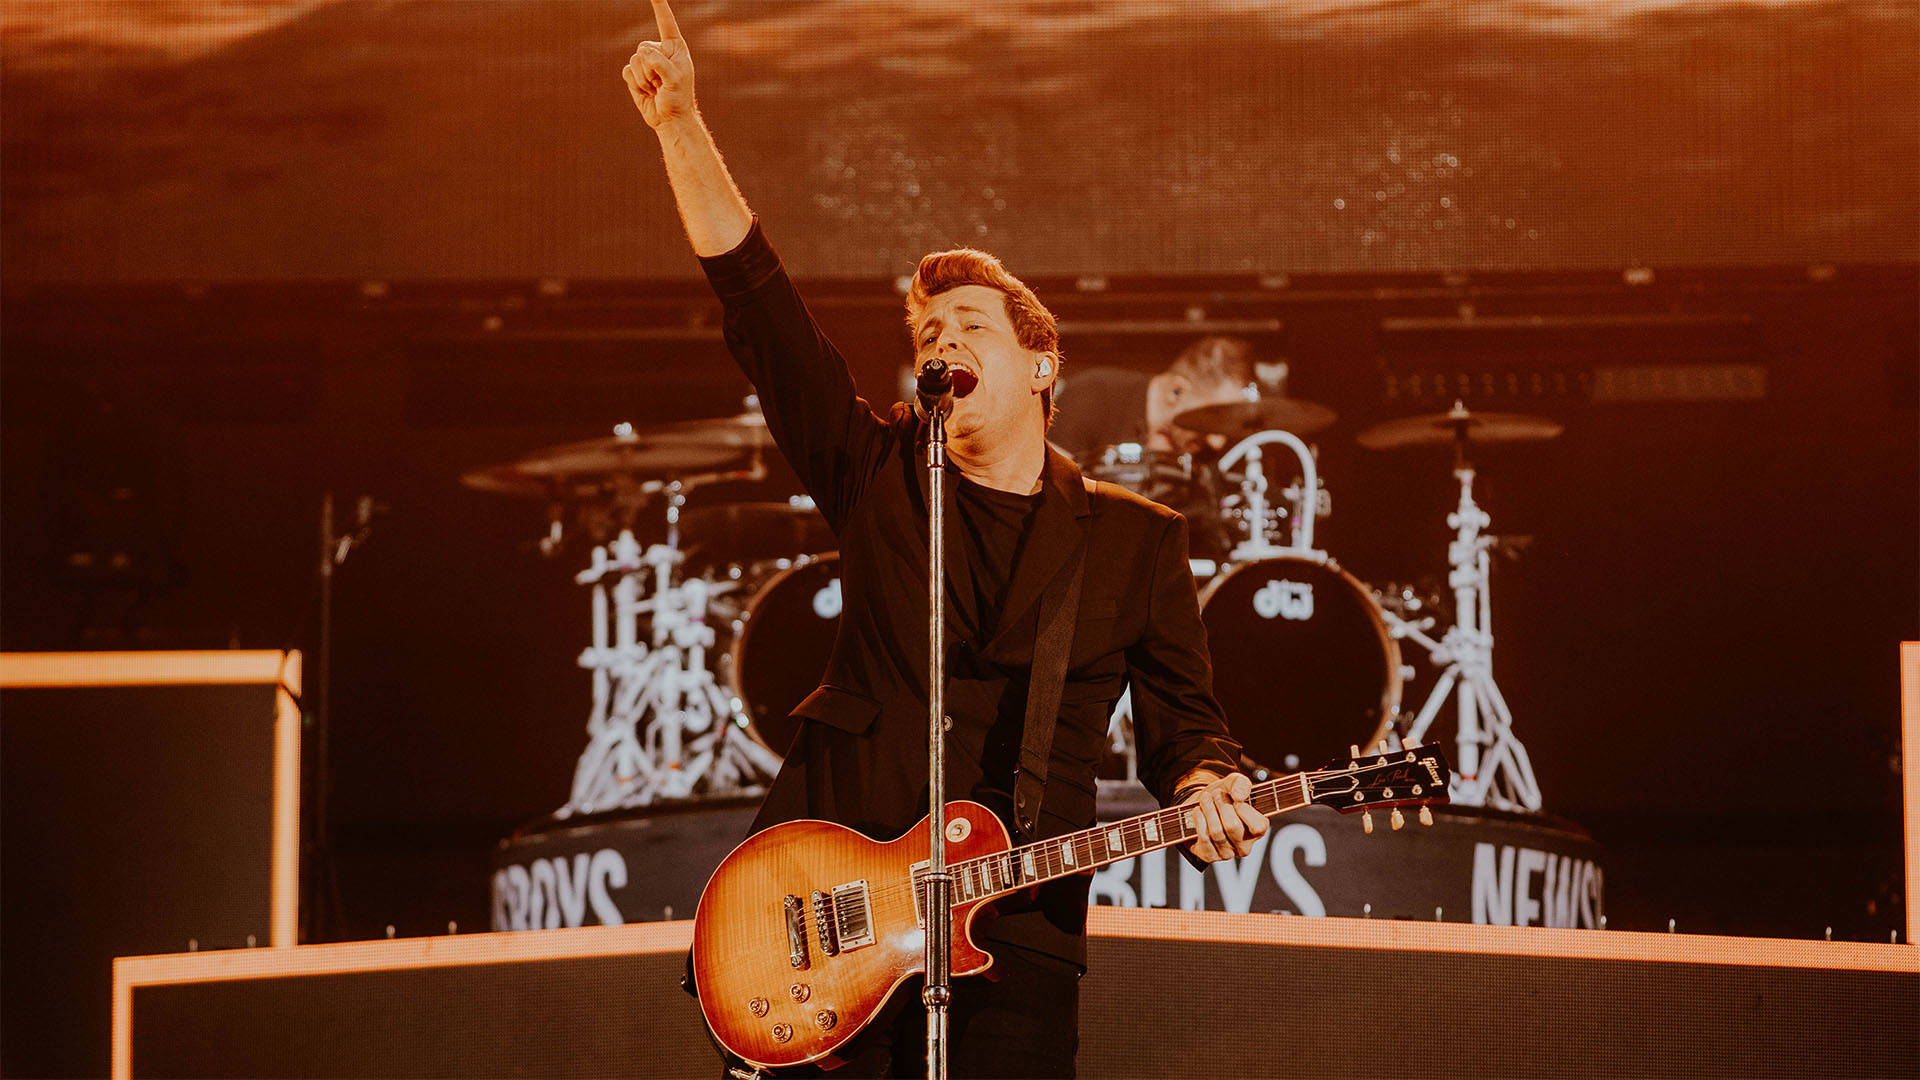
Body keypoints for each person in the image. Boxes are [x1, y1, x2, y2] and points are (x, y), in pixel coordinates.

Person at [625, 4, 1267, 1076]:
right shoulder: (882, 476)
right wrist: (682, 125)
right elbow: (763, 314)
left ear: (1042, 365)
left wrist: (1207, 786)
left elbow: (1185, 729)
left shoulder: (1136, 542)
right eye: (929, 332)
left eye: (971, 326)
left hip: (1017, 935)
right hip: (827, 922)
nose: (943, 339)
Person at [1045, 337, 1260, 461]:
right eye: (1212, 419)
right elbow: (1052, 492)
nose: (1217, 442)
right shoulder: (1094, 395)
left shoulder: (1209, 454)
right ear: (1176, 391)